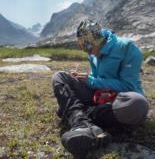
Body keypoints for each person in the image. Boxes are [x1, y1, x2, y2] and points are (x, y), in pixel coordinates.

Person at [51, 19, 149, 158]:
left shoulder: (127, 48)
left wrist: (91, 80)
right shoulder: (94, 54)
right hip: (99, 97)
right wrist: (83, 79)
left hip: (118, 99)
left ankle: (76, 113)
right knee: (60, 76)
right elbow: (97, 79)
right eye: (83, 47)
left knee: (138, 104)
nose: (87, 52)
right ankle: (81, 123)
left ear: (98, 40)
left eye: (87, 46)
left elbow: (128, 86)